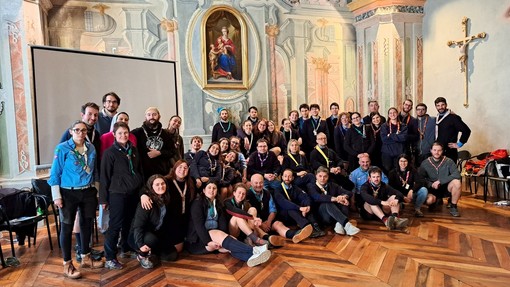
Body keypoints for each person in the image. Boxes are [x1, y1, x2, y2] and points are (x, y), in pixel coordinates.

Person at [48, 120, 103, 279]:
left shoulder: (91, 147)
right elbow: (55, 173)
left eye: (83, 130)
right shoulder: (62, 148)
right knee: (66, 227)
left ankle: (85, 257)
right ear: (71, 131)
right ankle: (67, 263)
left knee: (87, 225)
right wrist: (56, 196)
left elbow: (95, 171)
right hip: (67, 193)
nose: (81, 133)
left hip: (87, 192)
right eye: (77, 130)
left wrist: (96, 191)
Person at [186, 181, 272, 267]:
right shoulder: (197, 203)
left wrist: (222, 239)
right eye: (209, 187)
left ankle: (250, 258)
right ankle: (254, 250)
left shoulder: (218, 204)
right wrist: (208, 242)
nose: (212, 190)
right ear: (204, 190)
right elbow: (199, 226)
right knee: (222, 237)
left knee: (232, 242)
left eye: (214, 188)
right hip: (198, 241)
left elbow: (222, 225)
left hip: (214, 239)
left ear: (217, 191)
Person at [100, 122, 144, 269]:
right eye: (120, 133)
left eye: (125, 133)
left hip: (133, 193)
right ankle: (110, 257)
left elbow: (139, 171)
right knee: (115, 225)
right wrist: (103, 199)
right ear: (114, 135)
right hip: (117, 194)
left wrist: (142, 190)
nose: (123, 135)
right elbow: (104, 177)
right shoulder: (109, 153)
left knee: (128, 223)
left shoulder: (134, 150)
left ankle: (125, 248)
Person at [140, 160, 197, 260]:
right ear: (174, 168)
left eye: (185, 168)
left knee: (179, 249)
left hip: (182, 221)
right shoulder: (167, 180)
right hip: (168, 221)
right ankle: (148, 252)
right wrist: (143, 195)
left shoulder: (191, 181)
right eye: (180, 167)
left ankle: (157, 252)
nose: (182, 170)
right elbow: (148, 187)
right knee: (170, 249)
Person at [128, 175, 178, 269]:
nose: (161, 186)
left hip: (156, 233)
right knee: (152, 239)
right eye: (157, 184)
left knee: (172, 255)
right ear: (151, 187)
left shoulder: (166, 199)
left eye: (163, 183)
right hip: (139, 236)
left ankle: (152, 254)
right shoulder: (147, 201)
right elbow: (138, 226)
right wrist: (140, 244)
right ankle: (142, 255)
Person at [246, 174, 313, 244]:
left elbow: (273, 210)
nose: (259, 185)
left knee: (278, 224)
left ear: (263, 182)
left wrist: (268, 222)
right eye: (256, 183)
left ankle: (295, 235)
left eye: (261, 182)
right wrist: (261, 224)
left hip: (267, 221)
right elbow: (248, 213)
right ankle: (267, 239)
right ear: (251, 183)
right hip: (256, 223)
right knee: (253, 216)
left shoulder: (267, 193)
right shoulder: (248, 195)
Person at [306, 167, 360, 236]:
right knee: (327, 202)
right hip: (321, 216)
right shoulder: (311, 186)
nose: (322, 179)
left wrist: (343, 197)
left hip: (333, 214)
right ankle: (347, 225)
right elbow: (317, 197)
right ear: (316, 176)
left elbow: (348, 192)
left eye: (325, 176)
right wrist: (336, 199)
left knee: (343, 202)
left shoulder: (332, 185)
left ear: (328, 177)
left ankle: (339, 224)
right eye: (320, 176)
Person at [274, 170, 326, 238]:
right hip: (285, 214)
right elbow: (284, 203)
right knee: (291, 209)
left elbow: (305, 197)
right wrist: (299, 208)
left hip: (297, 212)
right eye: (285, 176)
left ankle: (315, 226)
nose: (287, 178)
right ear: (282, 177)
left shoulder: (295, 188)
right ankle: (308, 229)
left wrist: (307, 206)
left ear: (293, 178)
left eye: (289, 176)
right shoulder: (278, 189)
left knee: (307, 206)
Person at [419, 142, 462, 217]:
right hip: (432, 189)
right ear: (431, 150)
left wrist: (440, 181)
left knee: (457, 182)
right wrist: (430, 184)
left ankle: (453, 206)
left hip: (445, 187)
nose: (437, 152)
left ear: (442, 151)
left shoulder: (449, 161)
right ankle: (435, 201)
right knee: (429, 201)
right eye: (434, 150)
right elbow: (421, 178)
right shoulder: (425, 163)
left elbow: (457, 174)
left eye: (439, 150)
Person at [131, 107, 175, 181]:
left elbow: (172, 151)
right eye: (149, 115)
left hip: (162, 172)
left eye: (154, 114)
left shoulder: (166, 134)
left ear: (159, 116)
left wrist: (160, 153)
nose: (151, 117)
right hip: (143, 173)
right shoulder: (137, 132)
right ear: (145, 117)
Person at [434, 97, 471, 162]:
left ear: (446, 105)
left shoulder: (454, 118)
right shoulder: (436, 118)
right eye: (438, 105)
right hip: (438, 152)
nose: (440, 107)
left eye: (442, 105)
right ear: (436, 107)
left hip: (449, 152)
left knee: (450, 171)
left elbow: (466, 130)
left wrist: (459, 144)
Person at [380, 107, 408, 173]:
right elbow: (384, 139)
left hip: (399, 152)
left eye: (394, 112)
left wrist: (390, 135)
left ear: (397, 114)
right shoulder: (384, 126)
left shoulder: (403, 126)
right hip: (387, 152)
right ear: (388, 115)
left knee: (398, 171)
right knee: (387, 170)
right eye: (390, 113)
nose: (392, 114)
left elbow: (403, 138)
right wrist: (397, 137)